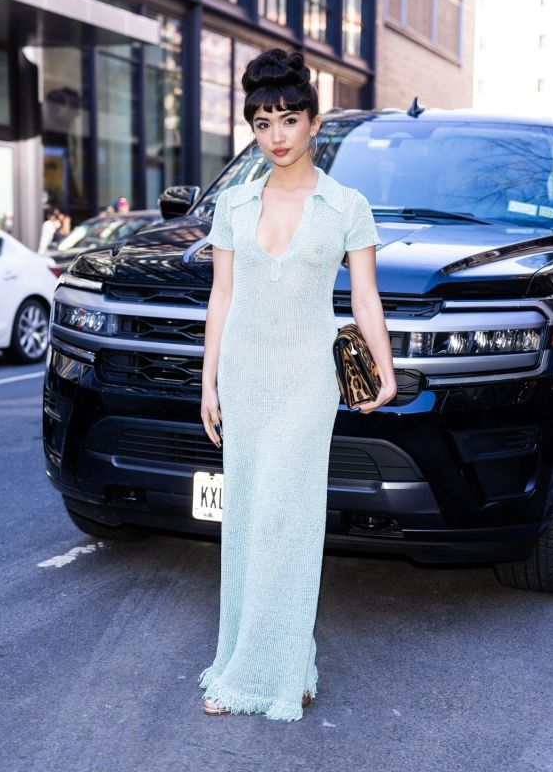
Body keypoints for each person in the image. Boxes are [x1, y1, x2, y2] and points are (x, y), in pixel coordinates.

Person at [199, 47, 397, 721]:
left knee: (288, 518)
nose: (276, 135)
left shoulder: (346, 205)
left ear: (313, 120)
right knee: (251, 519)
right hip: (246, 374)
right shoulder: (233, 200)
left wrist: (386, 369)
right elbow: (221, 297)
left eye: (288, 118)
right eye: (262, 122)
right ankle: (279, 661)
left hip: (307, 380)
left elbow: (365, 299)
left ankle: (260, 677)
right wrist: (209, 383)